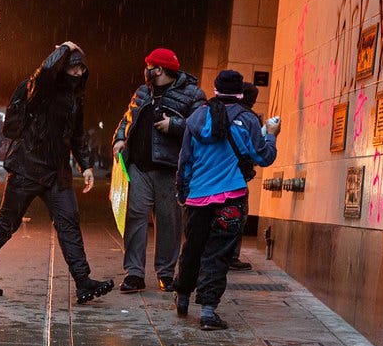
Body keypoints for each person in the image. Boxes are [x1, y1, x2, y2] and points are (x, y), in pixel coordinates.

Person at [0, 41, 114, 304]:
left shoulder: (75, 98)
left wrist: (87, 165)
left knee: (69, 223)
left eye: (82, 68)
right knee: (7, 223)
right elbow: (45, 72)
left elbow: (77, 136)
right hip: (27, 167)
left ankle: (83, 282)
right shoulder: (41, 89)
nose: (79, 73)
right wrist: (64, 48)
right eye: (73, 67)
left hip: (56, 173)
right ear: (63, 68)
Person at [174, 70, 280, 330]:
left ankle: (183, 298)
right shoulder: (248, 120)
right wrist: (272, 134)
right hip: (231, 198)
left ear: (216, 89)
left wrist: (183, 192)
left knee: (193, 248)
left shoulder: (197, 117)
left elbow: (184, 160)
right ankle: (208, 312)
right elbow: (264, 157)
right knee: (217, 254)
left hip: (198, 198)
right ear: (241, 93)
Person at [112, 48, 205, 293]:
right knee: (135, 219)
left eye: (149, 66)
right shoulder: (143, 92)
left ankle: (165, 273)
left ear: (159, 70)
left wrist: (173, 125)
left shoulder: (192, 94)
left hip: (170, 168)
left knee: (169, 223)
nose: (146, 70)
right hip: (139, 167)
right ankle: (134, 273)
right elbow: (126, 119)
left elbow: (202, 125)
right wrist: (119, 139)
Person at [227, 82, 261, 271]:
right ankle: (231, 257)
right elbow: (260, 152)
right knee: (238, 216)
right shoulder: (249, 118)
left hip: (215, 175)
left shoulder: (216, 111)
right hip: (238, 176)